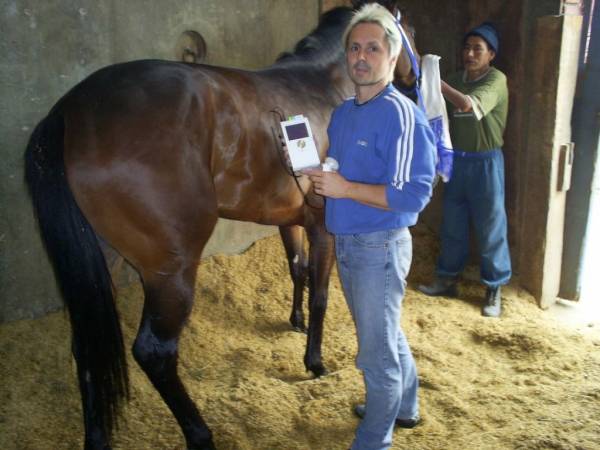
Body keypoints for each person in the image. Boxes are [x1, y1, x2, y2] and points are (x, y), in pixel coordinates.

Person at [303, 4, 436, 449]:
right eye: (354, 48)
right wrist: (317, 172)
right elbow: (342, 168)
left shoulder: (401, 114)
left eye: (373, 48)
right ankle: (405, 406)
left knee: (375, 354)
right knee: (384, 330)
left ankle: (374, 439)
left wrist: (344, 188)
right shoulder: (343, 113)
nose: (361, 57)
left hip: (379, 246)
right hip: (348, 242)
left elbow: (414, 194)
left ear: (392, 56)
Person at [417, 22, 511, 318]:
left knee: (491, 226)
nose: (470, 54)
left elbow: (468, 105)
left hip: (486, 163)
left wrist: (436, 84)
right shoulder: (457, 78)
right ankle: (447, 279)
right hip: (457, 162)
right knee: (453, 224)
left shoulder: (496, 80)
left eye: (477, 49)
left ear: (491, 55)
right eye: (467, 48)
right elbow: (433, 108)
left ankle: (494, 287)